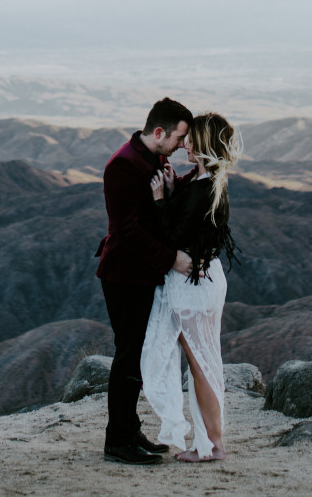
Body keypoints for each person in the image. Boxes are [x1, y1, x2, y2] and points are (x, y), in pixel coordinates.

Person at [94, 97, 196, 466]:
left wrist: (197, 176)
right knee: (128, 356)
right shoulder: (122, 165)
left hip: (141, 274)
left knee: (137, 355)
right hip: (124, 275)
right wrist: (171, 259)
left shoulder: (152, 158)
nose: (183, 146)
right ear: (159, 132)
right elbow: (129, 230)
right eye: (180, 138)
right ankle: (117, 441)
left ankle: (129, 430)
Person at [140, 111, 242, 462]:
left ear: (203, 143)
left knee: (200, 363)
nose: (184, 143)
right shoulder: (206, 180)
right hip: (203, 280)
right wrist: (172, 190)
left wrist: (158, 200)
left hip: (193, 285)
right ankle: (210, 441)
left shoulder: (203, 187)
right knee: (204, 359)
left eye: (191, 138)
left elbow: (173, 235)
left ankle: (212, 446)